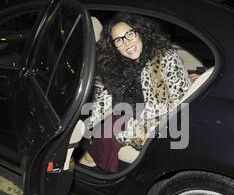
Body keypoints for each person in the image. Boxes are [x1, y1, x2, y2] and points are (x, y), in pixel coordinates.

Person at [79, 13, 191, 172]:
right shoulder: (118, 64)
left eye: (130, 34)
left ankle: (89, 165)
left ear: (140, 32)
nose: (126, 43)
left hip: (160, 120)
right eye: (118, 40)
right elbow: (105, 98)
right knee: (105, 126)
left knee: (108, 134)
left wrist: (131, 132)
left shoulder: (164, 58)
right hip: (132, 112)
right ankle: (89, 163)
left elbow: (170, 106)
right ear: (114, 46)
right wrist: (90, 124)